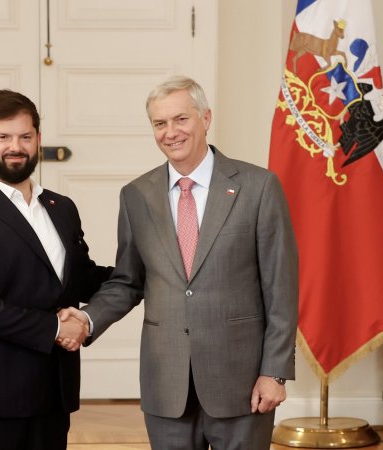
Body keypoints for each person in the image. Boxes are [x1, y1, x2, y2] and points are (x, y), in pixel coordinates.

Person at [59, 75, 299, 450]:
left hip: (241, 382)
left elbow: (280, 288)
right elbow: (128, 281)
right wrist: (88, 319)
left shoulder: (258, 187)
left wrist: (275, 372)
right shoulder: (137, 195)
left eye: (181, 119)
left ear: (205, 118)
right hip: (165, 384)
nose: (170, 132)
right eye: (160, 123)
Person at [0, 89, 112, 450]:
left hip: (51, 392)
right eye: (3, 137)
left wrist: (149, 272)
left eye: (25, 136)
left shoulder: (62, 208)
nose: (15, 146)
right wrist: (59, 327)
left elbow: (82, 278)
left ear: (38, 140)